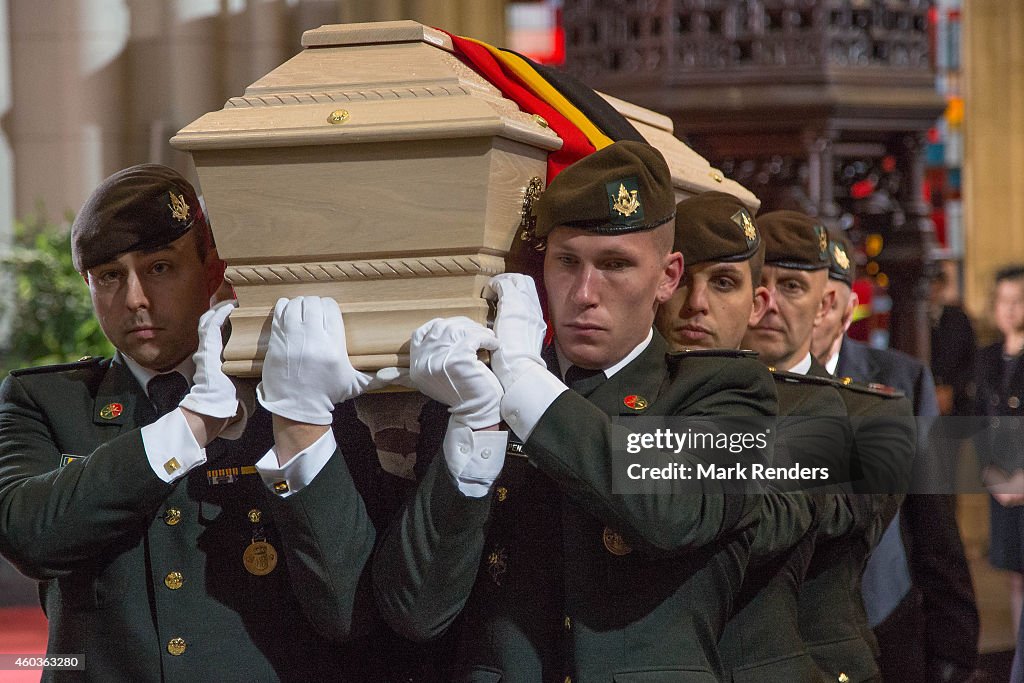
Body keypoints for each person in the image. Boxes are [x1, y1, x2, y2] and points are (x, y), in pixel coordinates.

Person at [375, 141, 777, 681]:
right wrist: (475, 427)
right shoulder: (476, 393)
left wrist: (522, 384)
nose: (585, 293)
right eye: (566, 262)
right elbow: (416, 612)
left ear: (668, 276)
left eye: (615, 265)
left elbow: (669, 514)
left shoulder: (727, 391)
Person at [0, 164, 383, 681]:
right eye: (110, 276)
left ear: (213, 271)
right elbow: (28, 535)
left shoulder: (292, 396)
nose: (135, 298)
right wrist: (191, 423)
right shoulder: (45, 400)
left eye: (159, 268)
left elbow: (348, 604)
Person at [655, 191, 829, 680]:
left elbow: (768, 526)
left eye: (723, 283)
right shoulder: (621, 395)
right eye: (683, 280)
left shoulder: (814, 408)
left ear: (757, 305)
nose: (697, 304)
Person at [745, 210, 914, 683]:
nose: (769, 302)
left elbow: (826, 520)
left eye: (791, 287)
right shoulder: (695, 400)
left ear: (825, 306)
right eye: (757, 283)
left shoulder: (872, 417)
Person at [812, 232, 979, 683]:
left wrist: (954, 645)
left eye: (825, 298)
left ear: (847, 311)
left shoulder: (899, 381)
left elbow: (935, 522)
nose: (809, 311)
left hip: (884, 615)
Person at [975, 266, 1024, 658]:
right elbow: (975, 426)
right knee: (1014, 576)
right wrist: (992, 475)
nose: (1009, 309)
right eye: (1003, 301)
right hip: (1001, 483)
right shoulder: (987, 358)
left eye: (1018, 300)